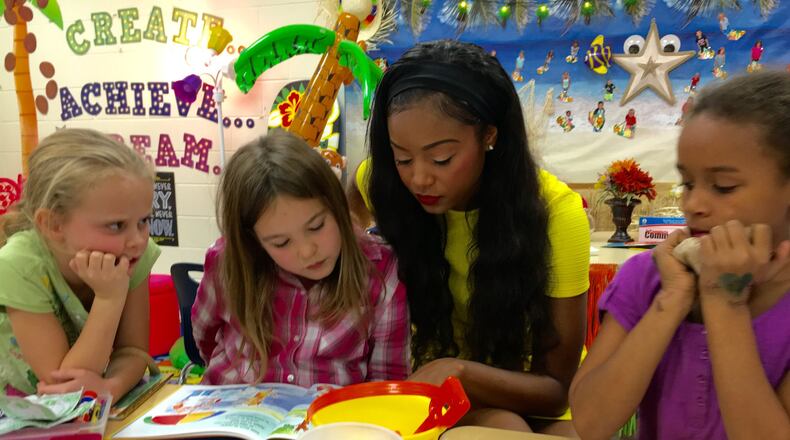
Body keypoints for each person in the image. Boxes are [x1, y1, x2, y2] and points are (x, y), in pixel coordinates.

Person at [356, 39, 590, 434]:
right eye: (402, 157)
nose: (419, 178)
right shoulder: (381, 185)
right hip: (432, 388)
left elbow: (556, 389)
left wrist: (458, 371)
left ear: (489, 136)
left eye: (442, 158)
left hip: (527, 390)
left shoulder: (555, 213)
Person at [570, 71, 790, 439]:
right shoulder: (649, 276)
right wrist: (672, 299)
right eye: (688, 183)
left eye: (723, 187)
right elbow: (591, 422)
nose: (693, 204)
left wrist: (724, 301)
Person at [192, 130, 410, 386]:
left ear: (337, 206)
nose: (307, 251)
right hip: (231, 412)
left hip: (330, 420)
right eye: (281, 242)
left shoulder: (380, 269)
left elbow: (388, 382)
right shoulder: (228, 262)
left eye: (317, 226)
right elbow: (204, 339)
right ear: (253, 241)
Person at [0, 128, 160, 401]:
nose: (137, 241)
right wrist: (109, 299)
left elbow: (133, 351)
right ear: (53, 224)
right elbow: (62, 385)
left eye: (143, 221)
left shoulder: (132, 254)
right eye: (116, 225)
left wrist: (110, 388)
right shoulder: (17, 266)